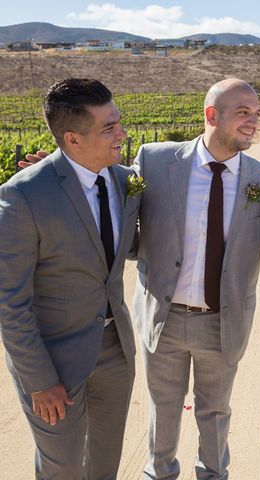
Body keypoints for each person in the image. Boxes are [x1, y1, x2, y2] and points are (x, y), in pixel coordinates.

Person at [132, 78, 260, 480]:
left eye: (256, 114)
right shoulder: (154, 161)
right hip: (162, 318)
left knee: (215, 412)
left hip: (223, 322)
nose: (253, 122)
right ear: (212, 116)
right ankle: (158, 474)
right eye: (243, 113)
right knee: (162, 409)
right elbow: (116, 222)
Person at [0, 78, 139, 479]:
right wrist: (39, 381)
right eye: (109, 128)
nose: (122, 134)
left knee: (104, 464)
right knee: (61, 470)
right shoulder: (23, 196)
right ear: (73, 140)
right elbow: (11, 303)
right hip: (53, 360)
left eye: (119, 122)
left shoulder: (128, 182)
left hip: (115, 350)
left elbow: (133, 247)